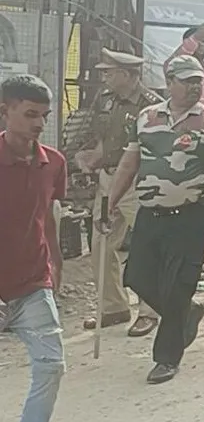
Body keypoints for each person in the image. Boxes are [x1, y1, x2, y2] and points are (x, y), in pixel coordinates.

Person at [109, 55, 204, 384]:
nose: (195, 87)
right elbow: (129, 164)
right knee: (137, 276)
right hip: (151, 212)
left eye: (198, 81)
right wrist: (109, 202)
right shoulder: (145, 119)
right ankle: (187, 311)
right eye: (187, 81)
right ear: (169, 82)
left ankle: (167, 358)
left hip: (193, 214)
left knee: (178, 285)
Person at [74, 49, 161, 337]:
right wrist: (91, 159)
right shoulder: (106, 100)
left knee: (147, 246)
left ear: (126, 74)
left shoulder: (152, 106)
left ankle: (149, 311)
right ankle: (113, 307)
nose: (104, 77)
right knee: (101, 244)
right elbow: (104, 141)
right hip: (107, 179)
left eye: (109, 72)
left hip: (139, 182)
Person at [0, 75, 67, 422]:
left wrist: (56, 263)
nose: (40, 123)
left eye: (45, 115)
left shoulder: (54, 163)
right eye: (30, 114)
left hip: (33, 285)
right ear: (5, 111)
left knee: (51, 365)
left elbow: (48, 217)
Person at [165, 22, 204, 111]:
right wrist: (196, 37)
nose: (201, 45)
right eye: (197, 42)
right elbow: (169, 64)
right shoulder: (176, 71)